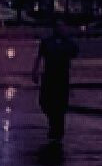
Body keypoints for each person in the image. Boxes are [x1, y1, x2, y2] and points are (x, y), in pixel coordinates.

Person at [33, 18, 80, 148]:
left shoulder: (68, 43)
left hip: (62, 77)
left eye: (63, 27)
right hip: (49, 76)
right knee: (45, 102)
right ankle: (53, 123)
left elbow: (75, 53)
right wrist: (35, 71)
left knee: (60, 105)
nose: (61, 29)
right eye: (59, 27)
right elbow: (39, 56)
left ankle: (57, 130)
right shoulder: (47, 42)